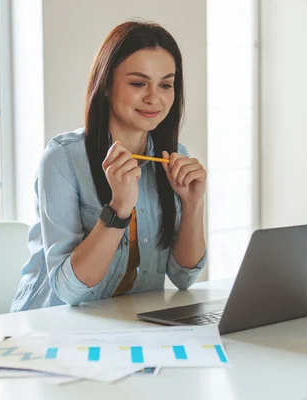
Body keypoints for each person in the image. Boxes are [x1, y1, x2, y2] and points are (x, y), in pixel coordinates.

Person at [10, 20, 208, 311]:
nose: (154, 98)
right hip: (50, 327)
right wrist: (118, 209)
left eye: (166, 84)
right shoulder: (61, 158)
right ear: (106, 84)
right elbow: (69, 291)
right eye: (138, 83)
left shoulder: (174, 156)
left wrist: (193, 204)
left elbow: (183, 276)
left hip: (127, 325)